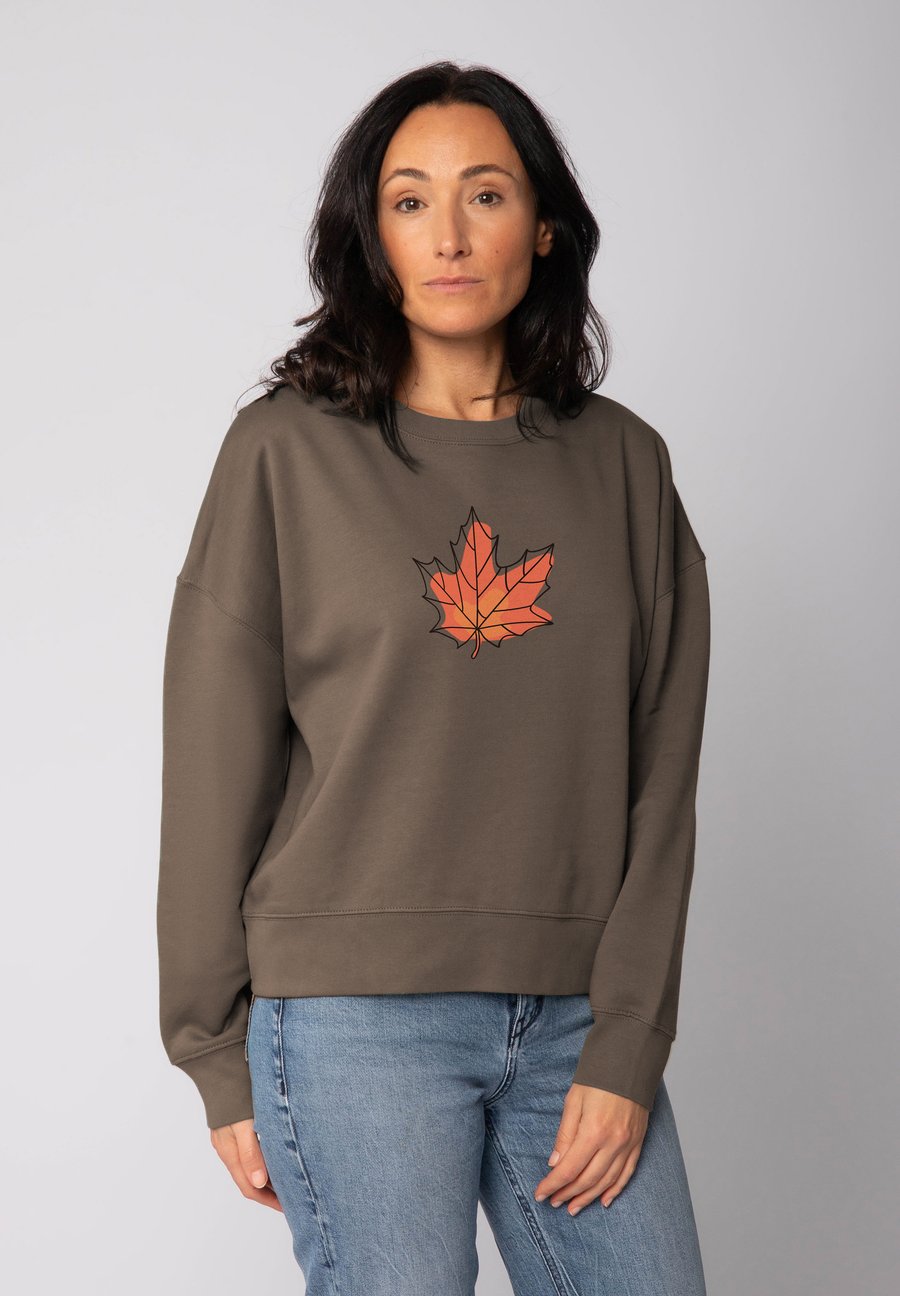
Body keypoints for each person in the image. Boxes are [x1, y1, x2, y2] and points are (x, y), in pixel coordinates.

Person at [157, 60, 711, 1295]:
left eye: (486, 195)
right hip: (351, 1022)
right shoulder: (284, 454)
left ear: (545, 226)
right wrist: (214, 1050)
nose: (449, 237)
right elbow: (213, 766)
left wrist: (629, 1038)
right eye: (410, 201)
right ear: (372, 235)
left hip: (578, 1019)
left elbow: (661, 781)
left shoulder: (626, 466)